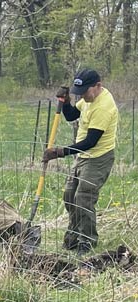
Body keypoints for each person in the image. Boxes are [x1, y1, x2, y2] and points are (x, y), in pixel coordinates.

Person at [44, 69, 118, 254]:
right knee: (70, 196)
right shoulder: (87, 99)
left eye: (85, 91)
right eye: (80, 92)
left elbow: (90, 142)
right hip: (83, 156)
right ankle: (73, 238)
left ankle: (87, 242)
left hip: (98, 157)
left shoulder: (103, 107)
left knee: (83, 198)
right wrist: (66, 102)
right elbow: (70, 116)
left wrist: (60, 152)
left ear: (98, 86)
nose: (83, 96)